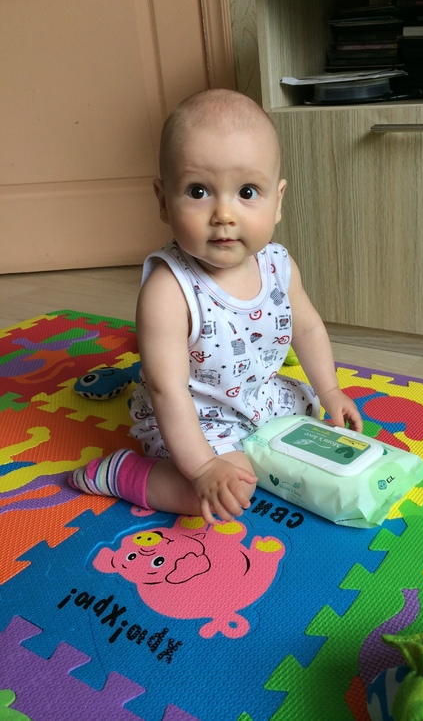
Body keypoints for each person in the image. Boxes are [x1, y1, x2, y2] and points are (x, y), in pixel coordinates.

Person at [69, 89, 362, 524]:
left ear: (278, 201)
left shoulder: (279, 265)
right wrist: (203, 467)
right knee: (222, 492)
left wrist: (330, 390)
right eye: (199, 191)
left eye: (247, 191)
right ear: (163, 201)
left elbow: (307, 329)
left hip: (257, 396)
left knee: (318, 428)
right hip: (193, 417)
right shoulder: (168, 289)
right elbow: (168, 391)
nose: (224, 213)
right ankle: (126, 473)